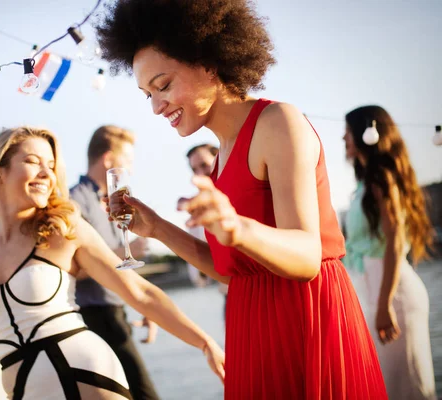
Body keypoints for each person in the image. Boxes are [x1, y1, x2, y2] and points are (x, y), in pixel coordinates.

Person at [96, 1, 387, 398]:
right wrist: (159, 228)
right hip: (251, 325)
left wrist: (237, 227)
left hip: (306, 320)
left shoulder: (277, 122)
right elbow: (232, 271)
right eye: (147, 94)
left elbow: (305, 257)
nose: (156, 107)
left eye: (163, 85)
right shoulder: (219, 161)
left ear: (209, 63)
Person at [0, 127, 224, 400]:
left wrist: (203, 342)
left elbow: (139, 292)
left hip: (85, 376)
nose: (46, 173)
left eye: (50, 164)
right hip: (21, 389)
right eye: (32, 161)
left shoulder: (63, 226)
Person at [343, 105, 437, 400]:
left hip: (393, 294)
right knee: (387, 388)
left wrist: (384, 304)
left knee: (409, 388)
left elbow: (396, 241)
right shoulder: (362, 184)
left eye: (347, 133)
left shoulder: (381, 178)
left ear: (364, 133)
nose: (343, 139)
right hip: (375, 293)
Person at [69, 125, 160, 400]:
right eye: (127, 162)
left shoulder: (107, 202)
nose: (130, 170)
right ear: (108, 160)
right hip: (94, 317)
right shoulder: (75, 202)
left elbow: (118, 262)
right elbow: (75, 268)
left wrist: (142, 303)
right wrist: (123, 253)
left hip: (115, 313)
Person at [185, 144, 228, 318]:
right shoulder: (197, 213)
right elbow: (199, 278)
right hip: (230, 298)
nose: (200, 173)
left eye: (204, 165)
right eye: (194, 169)